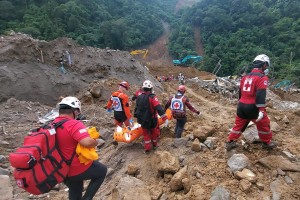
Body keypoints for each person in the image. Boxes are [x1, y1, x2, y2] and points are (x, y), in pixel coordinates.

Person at [54, 96, 107, 200]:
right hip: (74, 167)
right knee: (102, 170)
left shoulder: (52, 125)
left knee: (75, 189)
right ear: (75, 111)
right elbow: (87, 142)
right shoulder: (74, 124)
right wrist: (95, 142)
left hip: (60, 169)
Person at [226, 54, 277, 150]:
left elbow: (240, 93)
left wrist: (240, 103)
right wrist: (261, 110)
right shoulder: (262, 78)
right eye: (267, 66)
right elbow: (260, 94)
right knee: (264, 124)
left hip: (241, 105)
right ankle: (266, 143)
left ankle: (230, 142)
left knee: (239, 125)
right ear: (264, 65)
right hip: (254, 107)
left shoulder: (244, 77)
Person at [134, 80, 168, 154]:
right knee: (154, 133)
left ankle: (147, 149)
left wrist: (138, 119)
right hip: (152, 120)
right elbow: (158, 108)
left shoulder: (139, 97)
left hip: (143, 120)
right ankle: (155, 145)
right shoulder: (152, 97)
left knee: (146, 135)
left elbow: (136, 109)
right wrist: (165, 118)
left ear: (143, 88)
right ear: (151, 88)